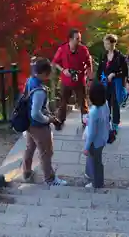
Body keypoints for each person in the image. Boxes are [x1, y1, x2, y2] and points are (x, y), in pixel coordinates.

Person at [22, 57, 68, 186]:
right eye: (49, 72)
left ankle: (27, 172)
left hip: (29, 124)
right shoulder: (39, 91)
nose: (50, 74)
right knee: (46, 152)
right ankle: (50, 179)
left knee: (30, 148)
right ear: (43, 73)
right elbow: (36, 113)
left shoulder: (30, 81)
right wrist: (48, 119)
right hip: (38, 125)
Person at [52, 29, 93, 129]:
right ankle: (60, 121)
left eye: (80, 38)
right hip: (66, 80)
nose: (79, 40)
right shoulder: (62, 49)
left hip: (80, 80)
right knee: (63, 101)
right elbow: (55, 62)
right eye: (77, 38)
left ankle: (85, 121)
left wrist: (90, 78)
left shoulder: (83, 50)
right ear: (70, 39)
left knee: (83, 102)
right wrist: (63, 70)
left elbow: (89, 64)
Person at [96, 34, 127, 132]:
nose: (105, 45)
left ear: (113, 44)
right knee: (105, 103)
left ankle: (115, 123)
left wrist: (114, 74)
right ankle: (106, 122)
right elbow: (100, 69)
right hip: (105, 83)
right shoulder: (103, 55)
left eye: (107, 43)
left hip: (115, 83)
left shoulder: (120, 57)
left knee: (115, 103)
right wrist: (98, 81)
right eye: (104, 43)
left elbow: (125, 72)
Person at [83, 81, 110, 188]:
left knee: (96, 162)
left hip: (95, 142)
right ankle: (90, 174)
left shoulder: (94, 111)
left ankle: (97, 183)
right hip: (103, 137)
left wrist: (86, 147)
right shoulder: (105, 104)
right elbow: (106, 118)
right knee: (95, 159)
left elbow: (92, 133)